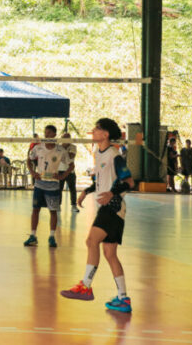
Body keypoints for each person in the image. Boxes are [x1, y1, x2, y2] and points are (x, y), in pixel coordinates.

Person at [61, 117, 134, 313]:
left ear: (105, 134)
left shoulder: (114, 155)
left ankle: (85, 286)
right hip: (109, 207)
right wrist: (88, 190)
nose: (93, 131)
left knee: (91, 241)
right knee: (110, 254)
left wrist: (111, 193)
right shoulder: (98, 153)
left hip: (113, 207)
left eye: (97, 129)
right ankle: (123, 299)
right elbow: (104, 179)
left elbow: (128, 181)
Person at [25, 125, 71, 248]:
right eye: (45, 133)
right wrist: (33, 172)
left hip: (53, 185)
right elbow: (29, 160)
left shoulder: (61, 150)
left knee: (53, 211)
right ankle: (33, 236)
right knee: (35, 209)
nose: (46, 135)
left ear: (54, 134)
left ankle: (51, 237)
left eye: (49, 133)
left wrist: (63, 176)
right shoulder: (38, 148)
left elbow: (71, 165)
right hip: (39, 184)